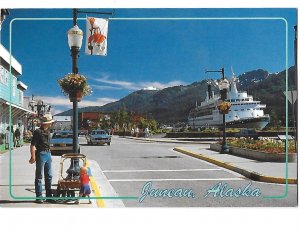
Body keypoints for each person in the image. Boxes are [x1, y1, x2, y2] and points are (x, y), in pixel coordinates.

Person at [29, 113, 54, 204]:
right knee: (39, 176)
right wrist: (33, 156)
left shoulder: (48, 131)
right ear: (45, 123)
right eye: (50, 122)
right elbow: (32, 145)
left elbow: (48, 145)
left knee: (49, 175)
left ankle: (48, 196)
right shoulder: (37, 132)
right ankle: (39, 196)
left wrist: (50, 156)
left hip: (48, 153)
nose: (51, 124)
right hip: (41, 154)